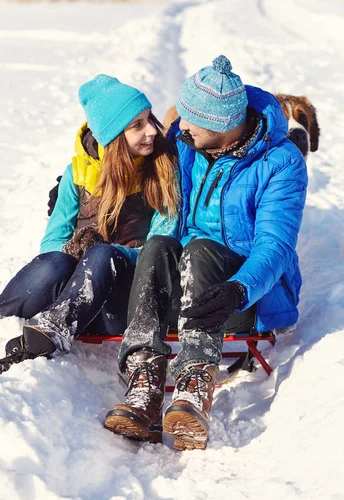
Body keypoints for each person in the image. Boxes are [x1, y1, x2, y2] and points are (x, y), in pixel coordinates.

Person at [104, 55, 308, 451]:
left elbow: (275, 245)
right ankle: (144, 381)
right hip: (186, 286)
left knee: (200, 249)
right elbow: (164, 217)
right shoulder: (185, 143)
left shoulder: (280, 163)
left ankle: (194, 386)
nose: (179, 125)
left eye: (191, 120)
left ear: (222, 125)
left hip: (242, 294)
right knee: (160, 243)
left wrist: (238, 288)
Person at [0, 74, 179, 376]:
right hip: (79, 295)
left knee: (102, 255)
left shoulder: (162, 171)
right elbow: (53, 239)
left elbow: (161, 245)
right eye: (137, 125)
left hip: (126, 301)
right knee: (56, 261)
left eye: (149, 119)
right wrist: (74, 255)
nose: (151, 130)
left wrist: (108, 254)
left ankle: (54, 329)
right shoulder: (77, 173)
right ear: (111, 138)